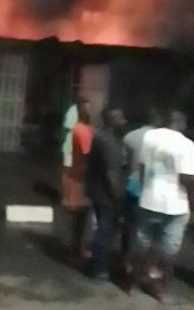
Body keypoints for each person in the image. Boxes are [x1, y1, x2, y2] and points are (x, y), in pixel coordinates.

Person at [130, 110, 194, 302]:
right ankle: (158, 287)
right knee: (169, 250)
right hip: (175, 205)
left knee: (142, 242)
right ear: (182, 124)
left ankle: (133, 279)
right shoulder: (187, 145)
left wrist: (144, 190)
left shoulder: (150, 137)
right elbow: (187, 178)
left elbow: (142, 167)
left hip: (149, 199)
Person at [85, 107, 127, 280]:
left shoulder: (102, 138)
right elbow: (111, 173)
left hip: (98, 190)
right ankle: (98, 267)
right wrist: (118, 196)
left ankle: (97, 264)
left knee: (104, 228)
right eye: (120, 118)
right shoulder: (107, 141)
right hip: (106, 193)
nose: (124, 121)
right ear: (112, 120)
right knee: (105, 229)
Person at [121, 109, 162, 269]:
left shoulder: (130, 136)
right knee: (149, 229)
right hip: (153, 188)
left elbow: (124, 163)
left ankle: (125, 258)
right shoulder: (162, 139)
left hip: (132, 185)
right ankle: (144, 264)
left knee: (129, 224)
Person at [61, 98, 94, 261]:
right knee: (81, 216)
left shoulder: (84, 129)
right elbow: (88, 154)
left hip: (80, 176)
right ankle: (77, 249)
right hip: (82, 178)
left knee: (80, 216)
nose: (90, 112)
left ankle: (76, 247)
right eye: (87, 109)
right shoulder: (82, 130)